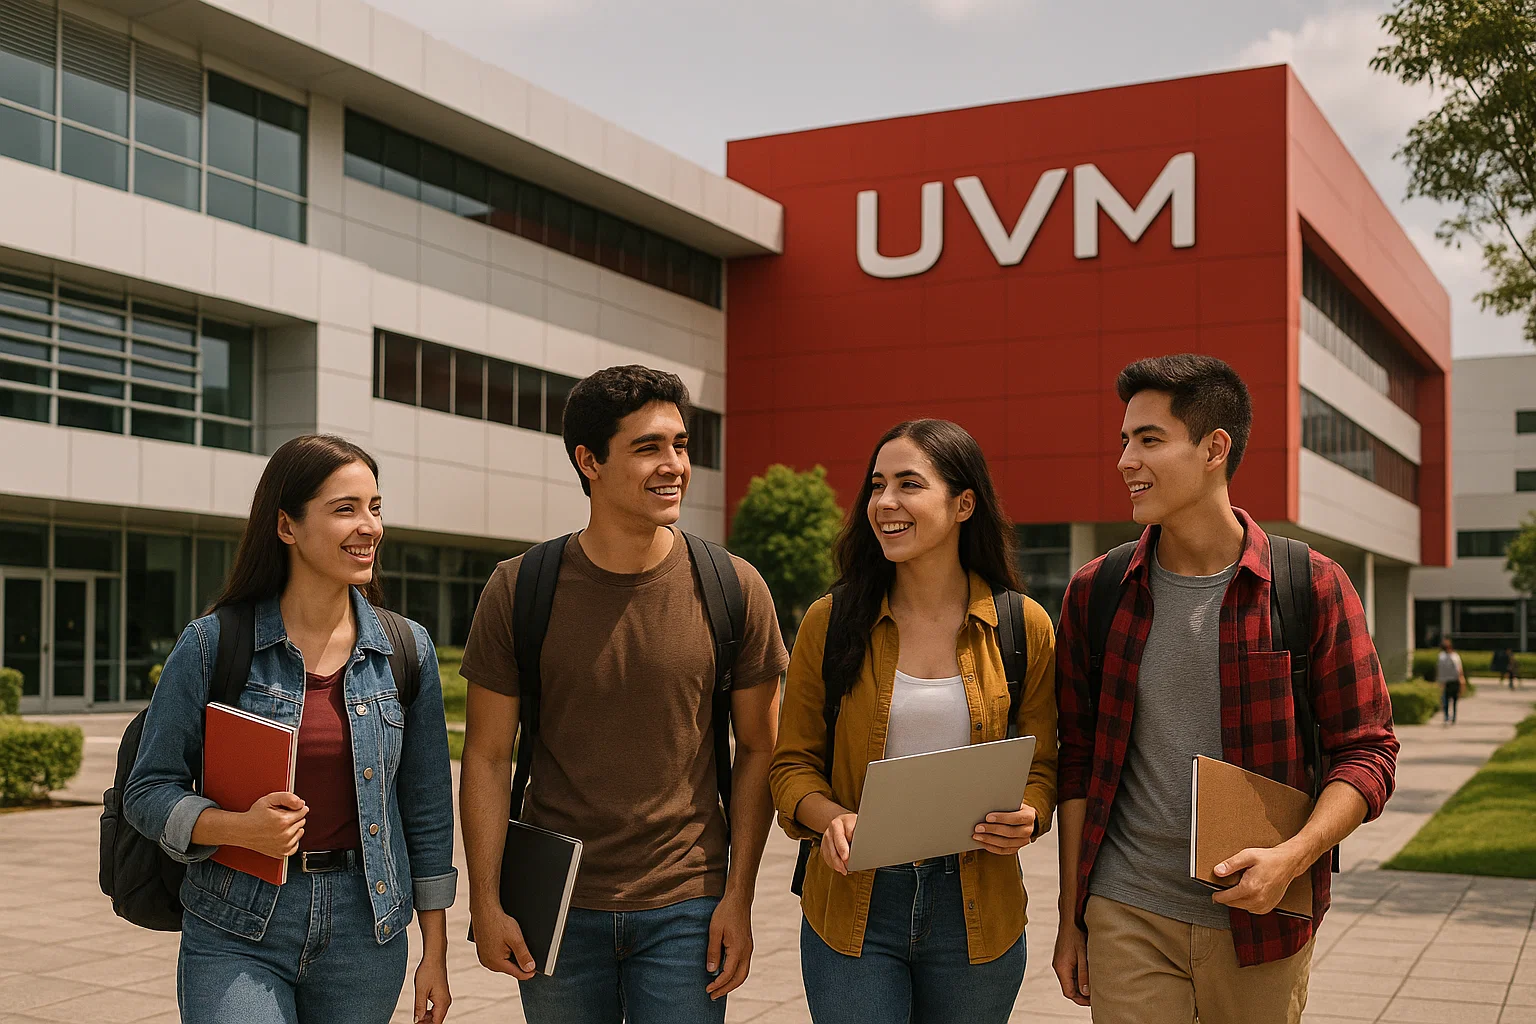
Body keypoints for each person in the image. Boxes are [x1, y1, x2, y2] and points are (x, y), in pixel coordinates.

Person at [1052, 355, 1399, 1024]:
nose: (1126, 459)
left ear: (1216, 448)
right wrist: (1073, 918)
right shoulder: (1096, 592)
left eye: (1149, 440)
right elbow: (1078, 764)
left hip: (1263, 919)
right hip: (1127, 911)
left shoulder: (1311, 586)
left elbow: (1367, 751)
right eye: (1124, 440)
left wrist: (1292, 856)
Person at [458, 365, 788, 1024]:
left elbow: (759, 748)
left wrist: (738, 896)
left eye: (681, 444)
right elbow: (488, 758)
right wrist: (487, 903)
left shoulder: (734, 587)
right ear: (590, 462)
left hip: (687, 905)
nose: (674, 465)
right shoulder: (519, 588)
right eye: (648, 447)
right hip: (556, 906)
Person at [123, 435, 457, 1024]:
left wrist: (436, 950)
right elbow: (148, 791)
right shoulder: (212, 644)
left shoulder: (407, 649)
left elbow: (426, 808)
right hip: (237, 921)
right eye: (345, 509)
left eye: (375, 507)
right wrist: (236, 827)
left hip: (367, 925)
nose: (370, 527)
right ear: (287, 526)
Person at [771, 418, 1059, 1024]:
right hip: (853, 905)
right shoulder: (830, 622)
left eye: (908, 484)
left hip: (978, 907)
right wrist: (832, 818)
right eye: (877, 485)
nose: (885, 503)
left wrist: (1030, 814)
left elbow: (1043, 765)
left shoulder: (1022, 627)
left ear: (963, 503)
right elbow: (791, 767)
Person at [1437, 638, 1465, 723]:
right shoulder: (1454, 656)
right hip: (1451, 681)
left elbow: (1439, 669)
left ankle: (1449, 717)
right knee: (1451, 700)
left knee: (1448, 700)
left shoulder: (1442, 657)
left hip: (1448, 681)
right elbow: (1459, 669)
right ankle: (1451, 717)